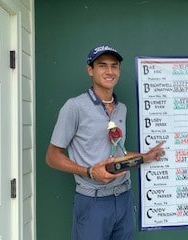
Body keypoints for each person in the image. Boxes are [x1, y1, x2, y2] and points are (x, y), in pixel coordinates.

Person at [45, 44, 165, 240]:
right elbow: (52, 157)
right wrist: (90, 171)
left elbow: (118, 153)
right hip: (93, 201)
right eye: (102, 65)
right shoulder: (74, 107)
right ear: (90, 70)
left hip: (124, 198)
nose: (109, 71)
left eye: (114, 66)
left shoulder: (121, 109)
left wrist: (146, 157)